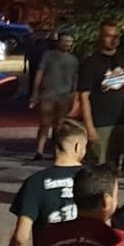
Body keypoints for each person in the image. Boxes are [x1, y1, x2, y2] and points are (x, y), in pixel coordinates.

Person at [75, 22, 124, 164]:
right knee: (102, 166)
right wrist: (90, 127)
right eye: (109, 36)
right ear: (101, 37)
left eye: (116, 36)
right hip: (101, 123)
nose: (113, 39)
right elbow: (84, 97)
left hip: (123, 121)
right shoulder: (91, 63)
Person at [29, 30, 80, 160]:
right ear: (58, 42)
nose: (67, 44)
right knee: (45, 123)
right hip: (48, 94)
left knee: (59, 124)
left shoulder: (74, 60)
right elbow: (39, 73)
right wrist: (35, 92)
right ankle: (39, 151)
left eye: (69, 41)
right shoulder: (49, 56)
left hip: (65, 96)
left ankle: (56, 151)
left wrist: (74, 95)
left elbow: (75, 78)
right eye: (64, 41)